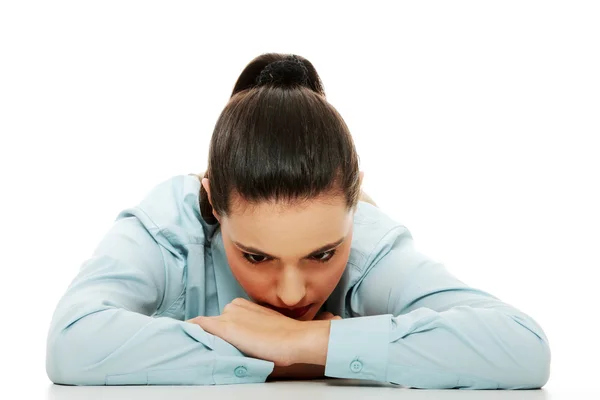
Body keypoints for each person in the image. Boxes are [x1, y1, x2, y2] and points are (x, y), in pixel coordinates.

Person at [46, 53, 551, 389]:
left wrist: (299, 342)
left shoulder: (369, 243)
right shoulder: (163, 229)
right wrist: (308, 362)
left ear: (355, 211)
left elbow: (521, 348)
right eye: (257, 256)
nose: (291, 294)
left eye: (323, 254)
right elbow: (71, 345)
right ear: (213, 205)